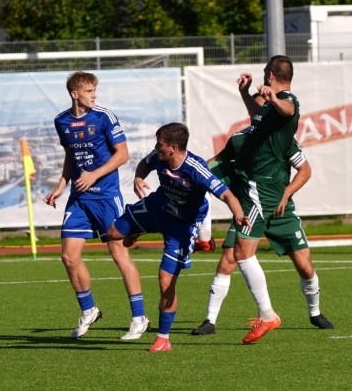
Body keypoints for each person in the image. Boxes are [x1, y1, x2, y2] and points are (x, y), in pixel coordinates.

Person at [106, 123, 249, 352]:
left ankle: (163, 338)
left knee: (166, 280)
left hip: (182, 226)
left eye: (159, 144)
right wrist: (138, 178)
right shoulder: (159, 156)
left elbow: (227, 195)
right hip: (157, 208)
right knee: (113, 233)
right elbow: (144, 164)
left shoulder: (196, 168)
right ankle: (140, 229)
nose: (156, 148)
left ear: (173, 148)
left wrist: (239, 215)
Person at [191, 128, 334, 335]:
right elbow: (216, 162)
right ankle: (210, 321)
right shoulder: (239, 139)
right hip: (250, 208)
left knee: (304, 265)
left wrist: (286, 194)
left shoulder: (282, 138)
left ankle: (315, 313)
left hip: (280, 210)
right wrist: (193, 170)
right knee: (228, 260)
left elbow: (305, 171)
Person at [43, 71, 149, 341]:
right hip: (79, 198)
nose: (94, 95)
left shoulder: (104, 116)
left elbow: (122, 154)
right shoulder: (61, 121)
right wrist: (61, 185)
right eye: (89, 91)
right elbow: (71, 155)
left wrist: (94, 175)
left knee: (119, 254)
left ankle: (139, 318)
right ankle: (89, 309)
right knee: (69, 257)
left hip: (106, 196)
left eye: (94, 91)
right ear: (74, 94)